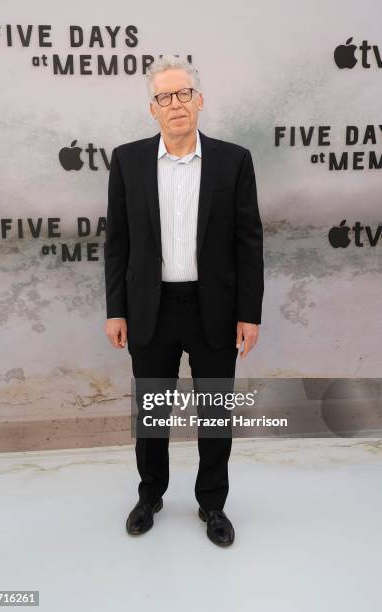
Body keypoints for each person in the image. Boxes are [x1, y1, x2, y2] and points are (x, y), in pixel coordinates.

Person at [104, 55, 264, 547]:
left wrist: (249, 315)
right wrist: (115, 308)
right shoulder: (127, 160)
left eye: (183, 94)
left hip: (213, 307)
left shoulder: (233, 160)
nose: (175, 105)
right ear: (153, 109)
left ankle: (212, 503)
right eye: (164, 97)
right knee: (152, 412)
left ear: (199, 101)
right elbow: (119, 241)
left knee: (214, 412)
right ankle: (150, 494)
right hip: (149, 307)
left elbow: (248, 240)